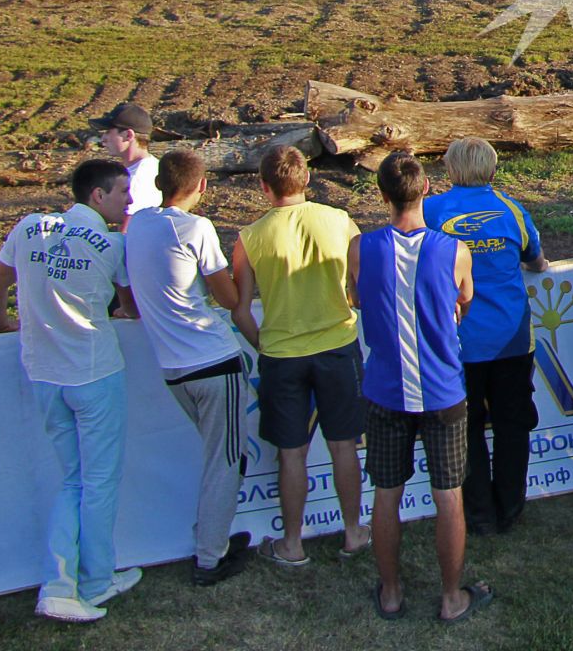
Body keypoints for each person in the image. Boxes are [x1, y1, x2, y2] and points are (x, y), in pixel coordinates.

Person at [0, 159, 143, 623]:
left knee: (73, 480)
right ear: (97, 196)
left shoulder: (29, 227)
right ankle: (79, 581)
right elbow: (129, 306)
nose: (128, 200)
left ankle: (77, 577)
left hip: (43, 373)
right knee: (96, 483)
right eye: (122, 192)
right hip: (94, 372)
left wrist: (3, 326)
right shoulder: (113, 244)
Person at [350, 154, 488, 623]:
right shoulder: (454, 251)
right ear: (427, 187)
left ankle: (391, 592)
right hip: (443, 391)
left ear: (382, 195)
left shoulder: (360, 248)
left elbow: (354, 297)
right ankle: (451, 597)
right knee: (448, 493)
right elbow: (465, 299)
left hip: (387, 391)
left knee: (386, 493)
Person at [230, 146, 370, 565]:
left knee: (291, 452)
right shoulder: (340, 221)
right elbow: (358, 293)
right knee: (344, 445)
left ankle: (292, 543)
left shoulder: (249, 237)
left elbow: (239, 309)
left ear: (263, 186)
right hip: (337, 347)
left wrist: (264, 343)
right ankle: (352, 531)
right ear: (307, 179)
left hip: (281, 353)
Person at [122, 148, 255, 587]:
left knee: (218, 456)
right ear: (201, 187)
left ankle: (211, 538)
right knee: (227, 461)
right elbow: (230, 298)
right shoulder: (196, 228)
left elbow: (131, 295)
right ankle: (210, 558)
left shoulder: (137, 224)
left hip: (173, 369)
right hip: (213, 362)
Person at [422, 137, 547, 537]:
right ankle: (510, 508)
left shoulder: (431, 210)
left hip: (457, 341)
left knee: (466, 426)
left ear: (450, 171)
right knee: (513, 423)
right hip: (510, 337)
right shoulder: (511, 208)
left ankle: (479, 514)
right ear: (493, 171)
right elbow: (537, 259)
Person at [92, 101, 160, 215]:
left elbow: (126, 230)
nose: (103, 139)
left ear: (128, 135)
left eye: (108, 132)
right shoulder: (154, 165)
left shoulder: (134, 181)